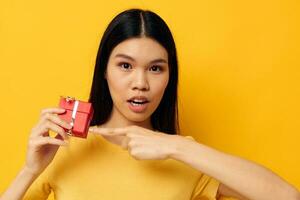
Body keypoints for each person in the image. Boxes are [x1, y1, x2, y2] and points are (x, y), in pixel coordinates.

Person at [1, 8, 299, 200]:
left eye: (156, 68)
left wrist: (179, 146)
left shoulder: (184, 157)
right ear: (104, 71)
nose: (141, 83)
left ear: (170, 77)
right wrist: (30, 170)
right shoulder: (64, 150)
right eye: (125, 66)